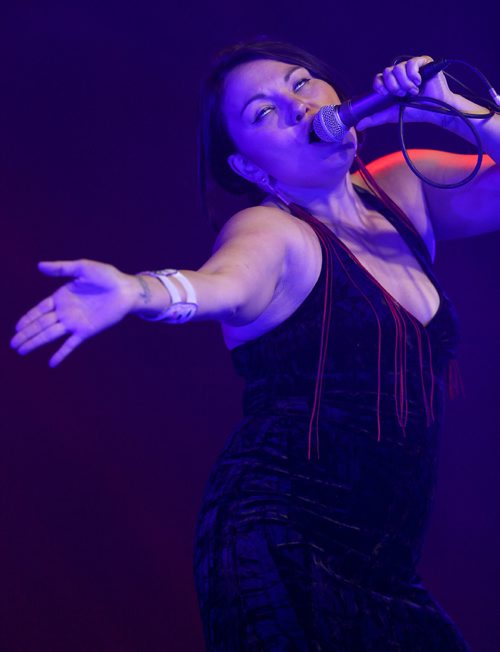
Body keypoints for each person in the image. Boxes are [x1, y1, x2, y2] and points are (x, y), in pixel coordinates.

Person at [10, 39, 499, 650]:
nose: (296, 107)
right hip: (282, 536)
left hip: (385, 567)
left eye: (301, 84)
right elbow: (223, 284)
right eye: (263, 113)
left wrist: (456, 112)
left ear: (338, 99)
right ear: (248, 166)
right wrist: (137, 292)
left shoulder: (402, 186)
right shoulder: (270, 228)